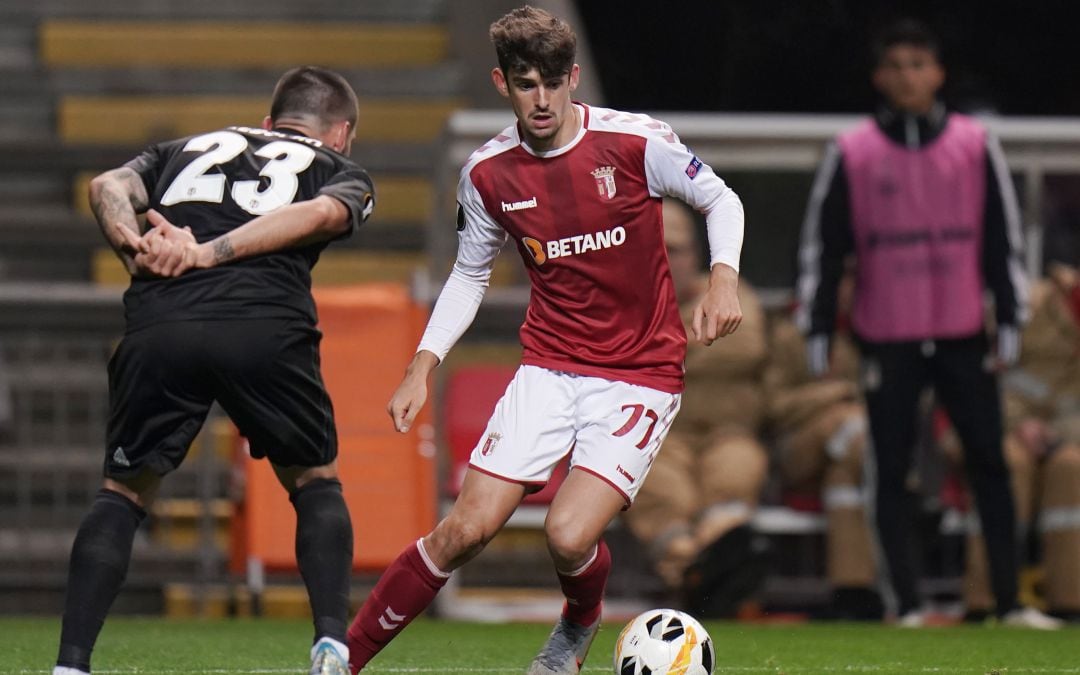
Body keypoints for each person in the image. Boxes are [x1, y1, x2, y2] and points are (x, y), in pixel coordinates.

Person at [344, 6, 745, 674]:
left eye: (553, 82)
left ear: (573, 78)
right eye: (526, 82)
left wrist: (723, 279)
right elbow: (469, 273)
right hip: (549, 368)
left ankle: (579, 620)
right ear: (502, 82)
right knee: (463, 530)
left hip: (639, 372)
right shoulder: (488, 173)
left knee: (566, 535)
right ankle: (338, 662)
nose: (542, 98)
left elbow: (721, 200)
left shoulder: (635, 143)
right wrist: (423, 365)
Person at [53, 66, 375, 675]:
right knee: (314, 482)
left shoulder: (182, 150)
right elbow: (320, 216)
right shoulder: (340, 168)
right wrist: (211, 253)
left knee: (122, 493)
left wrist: (135, 248)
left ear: (267, 123)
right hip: (264, 328)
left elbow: (106, 186)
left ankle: (71, 665)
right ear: (340, 134)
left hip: (161, 321)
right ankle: (331, 643)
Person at [795, 19, 1061, 629]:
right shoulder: (853, 151)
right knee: (891, 470)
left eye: (920, 63)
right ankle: (906, 604)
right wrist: (817, 326)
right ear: (879, 77)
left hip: (964, 331)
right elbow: (824, 246)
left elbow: (1002, 238)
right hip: (887, 336)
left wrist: (1011, 312)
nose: (909, 76)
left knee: (990, 462)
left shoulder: (973, 144)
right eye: (897, 65)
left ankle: (1009, 602)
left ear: (938, 73)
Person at [622, 199, 769, 616]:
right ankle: (700, 571)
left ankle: (711, 563)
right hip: (656, 439)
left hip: (729, 434)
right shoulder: (621, 304)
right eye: (656, 246)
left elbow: (743, 345)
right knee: (655, 482)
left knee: (736, 468)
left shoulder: (729, 291)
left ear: (698, 253)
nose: (669, 258)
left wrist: (657, 346)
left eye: (678, 248)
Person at [765, 281, 880, 619]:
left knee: (843, 480)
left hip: (845, 457)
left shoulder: (866, 334)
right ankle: (896, 485)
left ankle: (852, 593)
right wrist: (835, 394)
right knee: (850, 421)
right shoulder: (790, 335)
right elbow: (772, 407)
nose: (849, 288)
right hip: (796, 454)